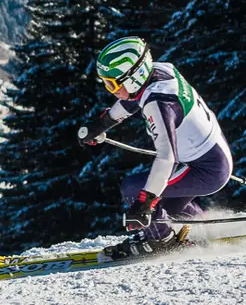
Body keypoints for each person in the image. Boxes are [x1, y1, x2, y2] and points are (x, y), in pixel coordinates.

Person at [77, 36, 233, 259]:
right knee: (165, 209)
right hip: (210, 155)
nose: (110, 89)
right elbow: (132, 99)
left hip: (207, 169)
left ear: (133, 78)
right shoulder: (160, 71)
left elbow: (166, 157)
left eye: (112, 83)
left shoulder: (158, 104)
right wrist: (103, 123)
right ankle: (200, 229)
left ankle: (161, 241)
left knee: (133, 188)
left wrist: (145, 202)